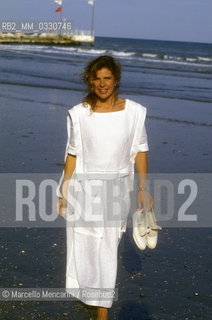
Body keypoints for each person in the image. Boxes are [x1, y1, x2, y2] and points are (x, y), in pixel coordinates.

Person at [56, 55, 153, 320]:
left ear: (116, 79)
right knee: (86, 245)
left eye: (107, 78)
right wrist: (63, 191)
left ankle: (102, 309)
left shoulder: (133, 112)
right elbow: (72, 154)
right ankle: (94, 296)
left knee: (108, 245)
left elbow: (140, 151)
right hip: (83, 190)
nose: (102, 84)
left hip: (117, 191)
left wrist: (144, 188)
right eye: (97, 79)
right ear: (90, 81)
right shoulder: (80, 114)